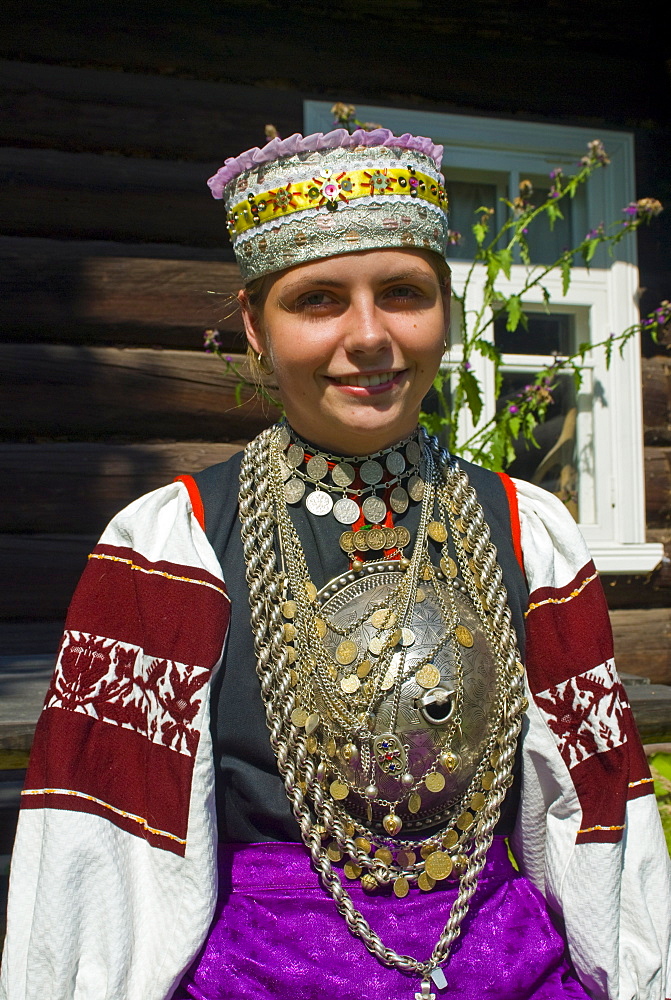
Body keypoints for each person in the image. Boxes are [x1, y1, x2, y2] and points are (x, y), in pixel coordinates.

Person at [1, 128, 670, 1000]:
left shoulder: (528, 531)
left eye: (402, 293)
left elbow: (591, 819)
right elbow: (104, 855)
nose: (369, 336)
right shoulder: (170, 546)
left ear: (445, 313)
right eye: (318, 300)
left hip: (508, 966)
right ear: (253, 326)